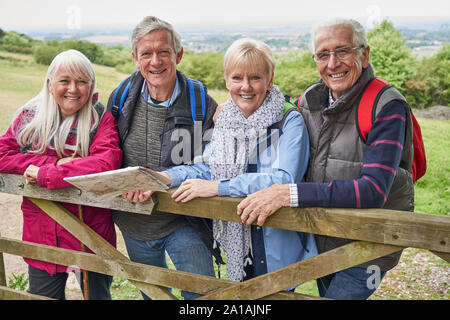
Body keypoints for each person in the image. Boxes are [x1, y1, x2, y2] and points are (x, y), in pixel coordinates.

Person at [236, 18, 415, 300]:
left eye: (342, 51)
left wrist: (289, 194)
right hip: (323, 236)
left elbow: (373, 191)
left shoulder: (386, 105)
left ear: (364, 54)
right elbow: (270, 117)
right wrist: (230, 109)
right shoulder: (310, 99)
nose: (332, 63)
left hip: (370, 243)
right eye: (323, 54)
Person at [130, 38, 317, 282]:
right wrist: (165, 177)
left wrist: (218, 187)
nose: (246, 87)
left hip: (277, 247)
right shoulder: (226, 119)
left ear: (270, 81)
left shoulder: (289, 121)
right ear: (227, 81)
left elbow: (283, 180)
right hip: (239, 242)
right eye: (237, 78)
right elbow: (209, 167)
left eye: (255, 78)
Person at [107, 16, 218, 300]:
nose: (155, 61)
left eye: (163, 52)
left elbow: (216, 161)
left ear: (178, 55)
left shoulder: (200, 101)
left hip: (185, 221)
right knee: (153, 296)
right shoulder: (121, 96)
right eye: (146, 53)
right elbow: (106, 151)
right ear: (135, 58)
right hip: (134, 221)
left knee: (201, 296)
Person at [0, 49, 122, 300]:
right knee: (43, 296)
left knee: (97, 296)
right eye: (65, 81)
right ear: (49, 83)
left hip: (91, 232)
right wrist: (53, 162)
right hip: (43, 231)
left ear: (92, 85)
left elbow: (106, 162)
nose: (73, 89)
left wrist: (48, 174)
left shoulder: (100, 119)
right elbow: (2, 153)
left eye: (82, 82)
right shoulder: (30, 118)